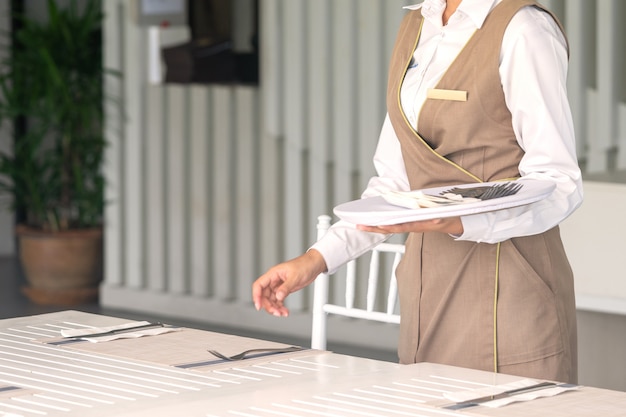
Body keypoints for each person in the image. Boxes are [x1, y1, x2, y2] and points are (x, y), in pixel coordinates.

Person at [252, 0, 583, 384]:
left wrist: (462, 219)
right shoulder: (416, 24)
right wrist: (316, 259)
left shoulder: (524, 28)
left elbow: (559, 182)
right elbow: (394, 182)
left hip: (510, 282)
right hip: (426, 282)